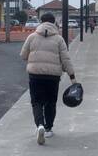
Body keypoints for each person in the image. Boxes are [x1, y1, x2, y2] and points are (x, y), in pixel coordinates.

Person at [20, 12, 76, 145]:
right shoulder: (59, 39)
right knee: (50, 102)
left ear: (41, 22)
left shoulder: (32, 37)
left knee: (36, 101)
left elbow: (23, 55)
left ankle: (39, 125)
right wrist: (72, 76)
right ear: (54, 23)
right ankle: (48, 128)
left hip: (35, 75)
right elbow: (66, 59)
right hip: (53, 77)